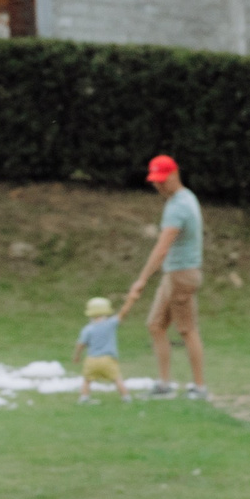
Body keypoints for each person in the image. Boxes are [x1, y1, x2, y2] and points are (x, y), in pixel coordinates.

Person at [121, 154, 208, 402]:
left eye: (162, 180)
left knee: (187, 330)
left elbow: (162, 248)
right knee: (155, 325)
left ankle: (199, 387)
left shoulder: (179, 206)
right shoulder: (184, 198)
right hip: (174, 273)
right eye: (155, 181)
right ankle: (164, 384)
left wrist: (141, 280)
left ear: (174, 174)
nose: (158, 185)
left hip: (182, 275)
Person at [75, 295, 123, 401]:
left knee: (87, 380)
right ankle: (126, 397)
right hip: (108, 359)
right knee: (117, 379)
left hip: (92, 360)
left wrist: (77, 356)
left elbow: (81, 344)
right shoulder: (110, 324)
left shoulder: (87, 329)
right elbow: (122, 314)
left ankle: (84, 397)